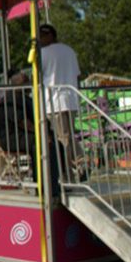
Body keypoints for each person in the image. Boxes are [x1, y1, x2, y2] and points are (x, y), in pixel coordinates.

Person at [39, 23, 82, 182]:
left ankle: (69, 173)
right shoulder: (69, 50)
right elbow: (78, 75)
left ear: (49, 36)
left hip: (55, 102)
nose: (40, 40)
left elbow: (37, 76)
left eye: (41, 37)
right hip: (71, 100)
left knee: (63, 140)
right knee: (67, 137)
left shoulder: (43, 53)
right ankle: (76, 165)